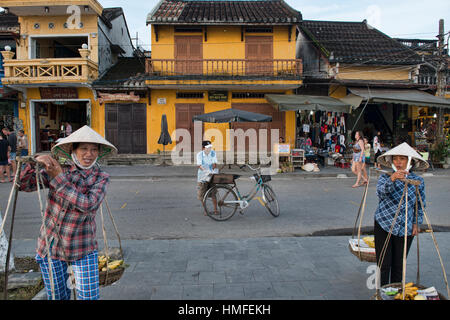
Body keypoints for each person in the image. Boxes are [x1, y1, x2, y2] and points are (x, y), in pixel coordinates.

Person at [17, 125, 117, 300]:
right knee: (57, 297)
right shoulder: (59, 169)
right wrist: (35, 162)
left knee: (89, 297)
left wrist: (58, 178)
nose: (89, 154)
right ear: (73, 150)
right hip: (50, 247)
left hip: (82, 249)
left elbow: (88, 205)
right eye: (84, 149)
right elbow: (24, 184)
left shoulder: (100, 177)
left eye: (94, 150)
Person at [374, 142, 428, 286]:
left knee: (399, 266)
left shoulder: (418, 181)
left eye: (402, 159)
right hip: (384, 224)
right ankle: (382, 293)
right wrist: (393, 179)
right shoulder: (385, 177)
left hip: (405, 227)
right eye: (395, 159)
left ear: (410, 161)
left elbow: (420, 203)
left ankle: (396, 292)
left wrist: (417, 222)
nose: (398, 162)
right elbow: (380, 193)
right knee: (384, 265)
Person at [197, 141, 218, 215]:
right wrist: (206, 171)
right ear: (203, 148)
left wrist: (212, 169)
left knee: (213, 193)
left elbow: (214, 163)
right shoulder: (199, 155)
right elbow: (199, 165)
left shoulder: (213, 153)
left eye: (210, 147)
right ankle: (206, 210)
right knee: (202, 195)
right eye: (207, 147)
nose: (209, 149)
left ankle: (215, 210)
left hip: (211, 175)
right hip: (202, 176)